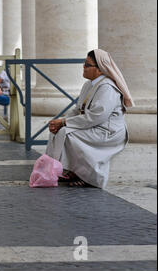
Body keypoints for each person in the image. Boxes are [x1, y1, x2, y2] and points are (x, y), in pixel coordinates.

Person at [46, 49, 134, 188]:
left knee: (67, 134)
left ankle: (90, 178)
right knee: (58, 131)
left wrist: (64, 122)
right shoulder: (89, 84)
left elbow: (96, 116)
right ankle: (71, 171)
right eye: (84, 63)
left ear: (99, 69)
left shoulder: (107, 88)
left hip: (107, 131)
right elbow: (78, 109)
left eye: (87, 65)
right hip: (94, 125)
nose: (83, 67)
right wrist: (61, 122)